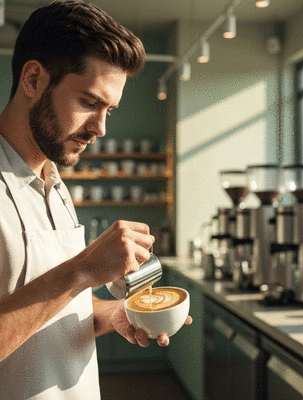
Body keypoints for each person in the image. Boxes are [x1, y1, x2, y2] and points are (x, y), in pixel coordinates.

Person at [0, 1, 191, 398]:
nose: (100, 128)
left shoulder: (55, 182)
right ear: (33, 79)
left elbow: (53, 308)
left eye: (110, 109)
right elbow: (69, 281)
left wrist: (113, 314)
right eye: (89, 102)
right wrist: (84, 268)